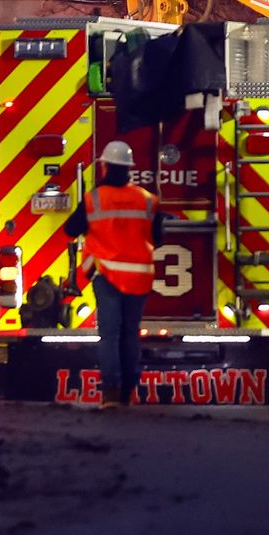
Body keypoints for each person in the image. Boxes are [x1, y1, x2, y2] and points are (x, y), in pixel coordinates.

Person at [66, 139, 164, 406]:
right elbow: (158, 238)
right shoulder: (147, 200)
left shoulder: (94, 199)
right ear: (130, 168)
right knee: (130, 334)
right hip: (138, 277)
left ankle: (110, 392)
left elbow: (70, 230)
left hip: (107, 276)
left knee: (109, 335)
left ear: (105, 166)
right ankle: (128, 392)